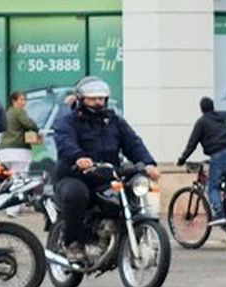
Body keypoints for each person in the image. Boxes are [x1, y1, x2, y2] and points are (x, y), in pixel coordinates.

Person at [52, 76, 159, 263]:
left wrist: (148, 163)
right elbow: (65, 142)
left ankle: (123, 239)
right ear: (81, 99)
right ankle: (73, 243)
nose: (98, 102)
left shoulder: (113, 121)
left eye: (101, 98)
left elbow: (133, 143)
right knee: (76, 194)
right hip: (76, 175)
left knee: (133, 191)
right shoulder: (68, 121)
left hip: (107, 176)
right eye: (93, 98)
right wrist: (79, 157)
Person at [175, 96, 226, 225]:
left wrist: (183, 158)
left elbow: (192, 143)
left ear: (201, 109)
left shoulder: (202, 122)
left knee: (212, 187)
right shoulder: (221, 119)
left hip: (219, 154)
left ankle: (219, 214)